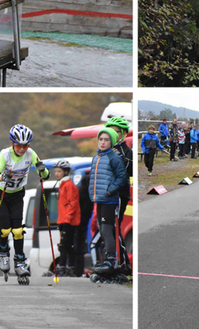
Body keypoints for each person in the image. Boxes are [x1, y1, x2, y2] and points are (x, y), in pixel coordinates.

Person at [0, 124, 49, 285]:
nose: (22, 149)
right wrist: (2, 178)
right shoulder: (5, 155)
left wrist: (42, 170)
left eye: (26, 145)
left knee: (17, 230)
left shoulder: (31, 154)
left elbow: (45, 174)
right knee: (5, 227)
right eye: (18, 145)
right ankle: (3, 252)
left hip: (17, 194)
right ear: (12, 144)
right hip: (0, 192)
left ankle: (20, 261)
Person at [89, 128, 128, 282]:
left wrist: (110, 190)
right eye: (101, 139)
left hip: (109, 200)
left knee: (107, 230)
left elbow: (122, 178)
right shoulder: (96, 157)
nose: (103, 142)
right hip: (99, 200)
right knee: (102, 230)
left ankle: (110, 260)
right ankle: (106, 259)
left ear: (111, 142)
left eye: (106, 140)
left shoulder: (114, 158)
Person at [55, 160, 81, 277]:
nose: (56, 174)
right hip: (63, 219)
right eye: (56, 171)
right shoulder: (62, 184)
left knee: (65, 245)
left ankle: (62, 266)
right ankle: (70, 266)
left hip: (68, 220)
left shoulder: (69, 185)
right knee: (67, 245)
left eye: (59, 171)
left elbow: (73, 202)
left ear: (65, 172)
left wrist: (68, 218)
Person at [104, 116, 133, 222]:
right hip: (103, 192)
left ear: (124, 133)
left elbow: (129, 171)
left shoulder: (127, 152)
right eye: (110, 131)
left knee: (113, 225)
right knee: (102, 227)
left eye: (116, 132)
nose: (113, 134)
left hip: (119, 193)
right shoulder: (105, 148)